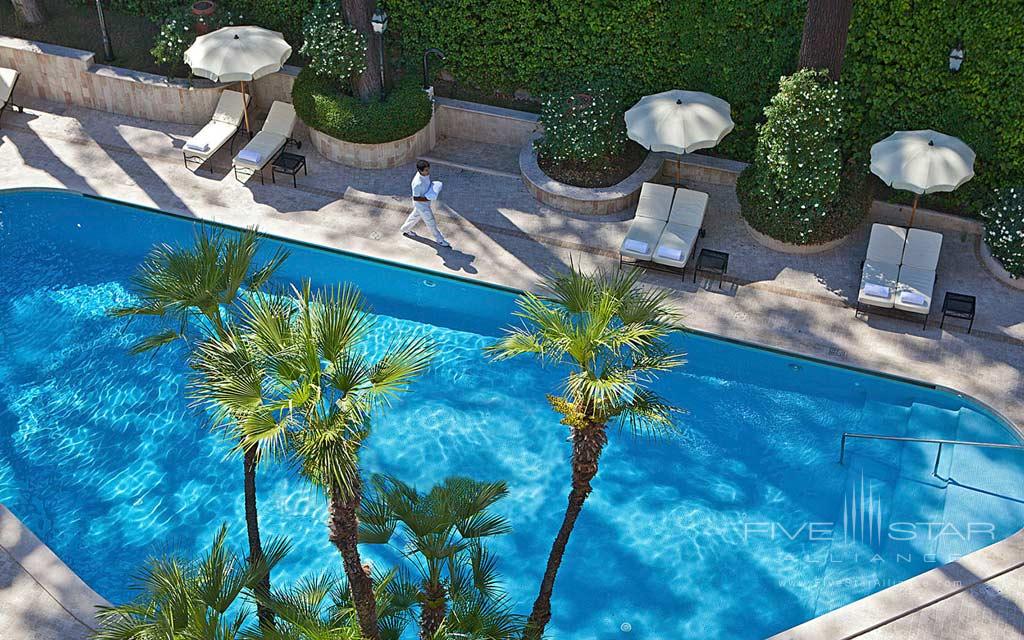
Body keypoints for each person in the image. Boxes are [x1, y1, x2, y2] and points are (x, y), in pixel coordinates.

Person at [401, 160, 450, 248]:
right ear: (420, 171)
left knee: (415, 216)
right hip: (421, 205)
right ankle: (439, 240)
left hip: (424, 203)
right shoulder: (417, 184)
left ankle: (405, 229)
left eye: (428, 169)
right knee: (431, 222)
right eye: (426, 170)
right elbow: (415, 198)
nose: (428, 172)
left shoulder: (424, 175)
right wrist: (428, 198)